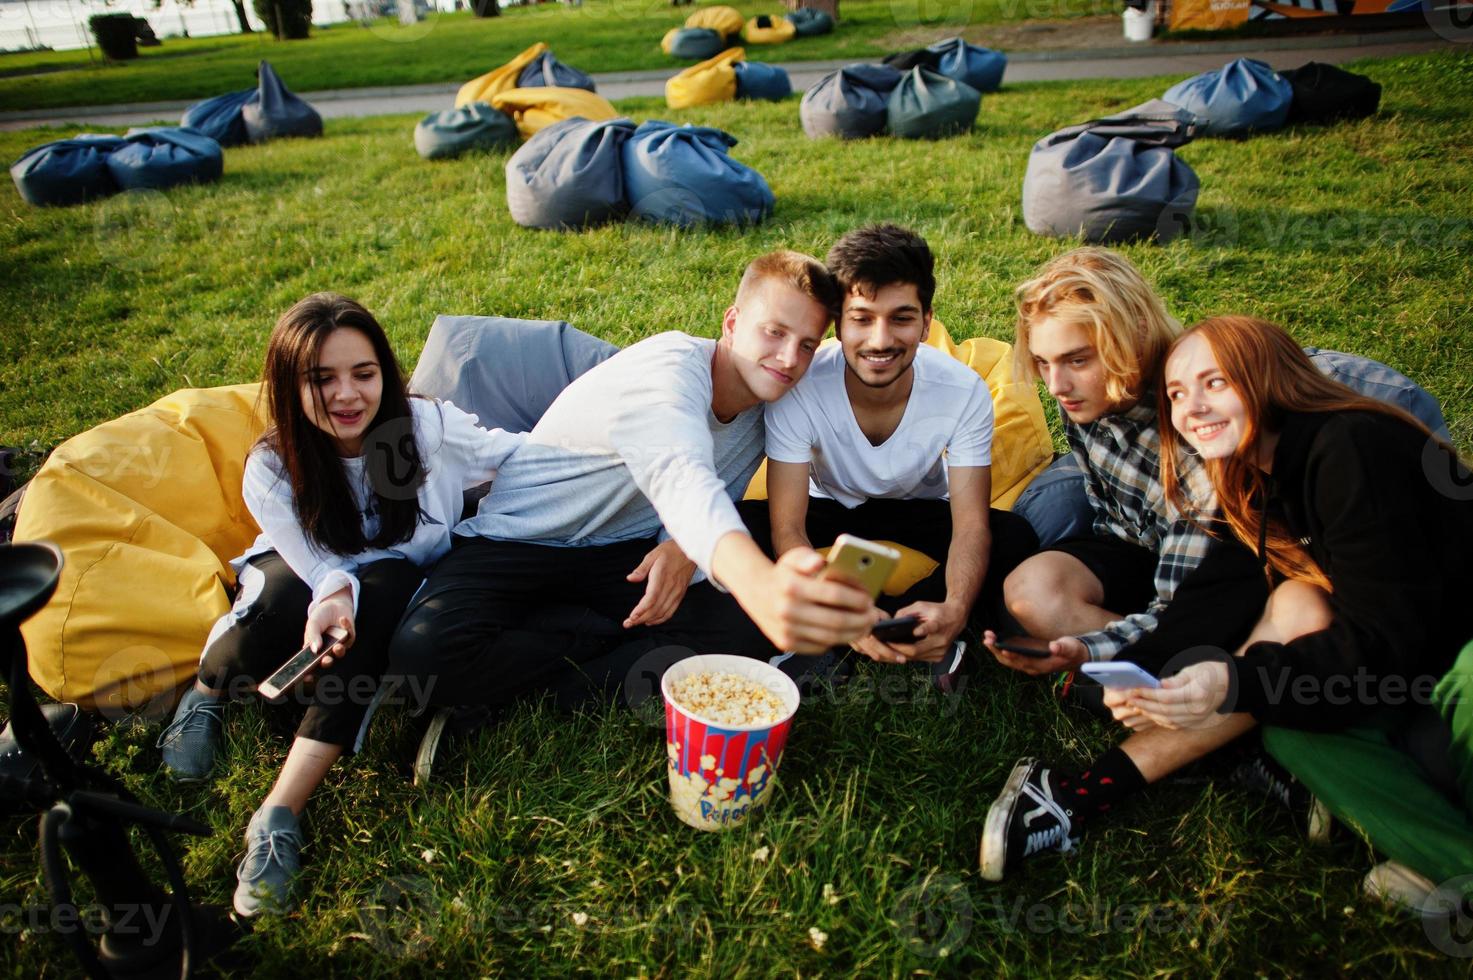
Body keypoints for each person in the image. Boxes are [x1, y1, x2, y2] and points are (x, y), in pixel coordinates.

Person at [386, 250, 882, 717]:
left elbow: (715, 488)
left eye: (806, 345)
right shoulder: (667, 374)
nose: (789, 358)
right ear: (732, 323)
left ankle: (528, 674)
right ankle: (587, 642)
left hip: (621, 554)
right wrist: (762, 589)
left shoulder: (773, 400)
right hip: (520, 539)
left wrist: (679, 547)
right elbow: (681, 475)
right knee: (423, 653)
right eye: (774, 332)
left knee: (740, 631)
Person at [157, 293, 526, 916]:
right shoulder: (273, 466)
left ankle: (276, 816)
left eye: (363, 373)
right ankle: (206, 694)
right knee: (271, 603)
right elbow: (317, 564)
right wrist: (331, 593)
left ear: (385, 371)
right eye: (320, 378)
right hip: (306, 571)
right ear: (288, 385)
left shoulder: (425, 429)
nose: (347, 394)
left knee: (379, 593)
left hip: (391, 587)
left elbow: (517, 455)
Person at [1110, 314, 1473, 912]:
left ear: (1268, 377)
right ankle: (1456, 864)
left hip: (1453, 665)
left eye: (1215, 383)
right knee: (1291, 728)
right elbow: (1212, 595)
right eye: (1176, 394)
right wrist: (1143, 673)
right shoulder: (1252, 476)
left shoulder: (1350, 444)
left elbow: (1383, 640)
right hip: (1412, 676)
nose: (1191, 407)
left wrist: (1234, 679)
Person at [978, 249, 1270, 881]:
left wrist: (1087, 652)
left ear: (1130, 341)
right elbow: (1106, 516)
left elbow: (1181, 607)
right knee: (1028, 590)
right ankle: (1169, 695)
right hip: (1136, 542)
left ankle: (1206, 713)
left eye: (1077, 360)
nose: (1057, 385)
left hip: (1211, 583)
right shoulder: (1081, 398)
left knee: (1163, 648)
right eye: (1046, 363)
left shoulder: (1195, 439)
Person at [738, 224, 1038, 692]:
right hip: (828, 508)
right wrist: (835, 604)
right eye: (862, 318)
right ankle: (831, 632)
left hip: (916, 508)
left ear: (925, 321)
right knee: (741, 531)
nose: (880, 340)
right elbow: (789, 529)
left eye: (901, 318)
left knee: (1014, 536)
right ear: (838, 324)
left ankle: (924, 623)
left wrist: (955, 607)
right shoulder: (799, 386)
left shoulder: (962, 391)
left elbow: (970, 525)